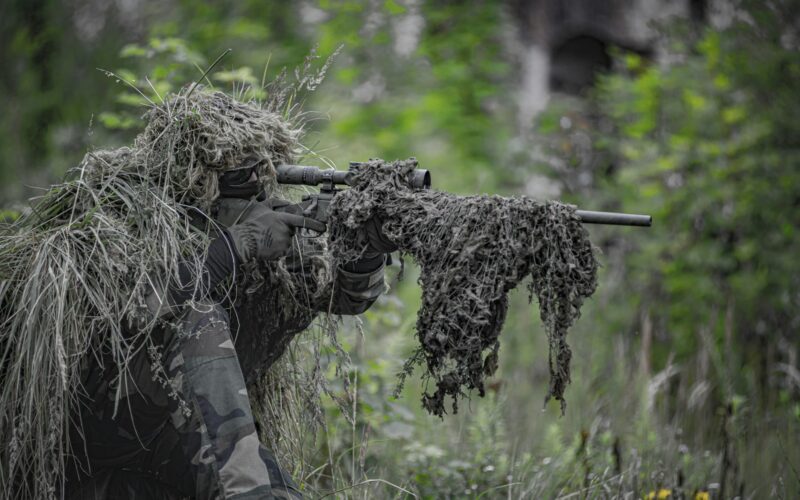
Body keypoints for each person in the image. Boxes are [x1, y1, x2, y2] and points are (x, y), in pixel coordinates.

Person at [64, 159, 396, 499]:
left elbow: (339, 297)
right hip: (96, 441)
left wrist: (364, 250)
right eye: (238, 181)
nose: (255, 191)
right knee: (199, 318)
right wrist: (233, 246)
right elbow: (133, 314)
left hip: (168, 442)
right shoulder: (134, 215)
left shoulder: (266, 226)